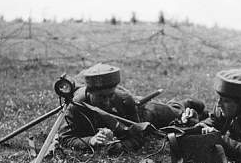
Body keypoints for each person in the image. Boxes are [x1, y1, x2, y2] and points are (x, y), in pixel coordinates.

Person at [58, 63, 207, 150]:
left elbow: (138, 138)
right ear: (89, 92)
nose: (107, 101)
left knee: (174, 112)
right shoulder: (76, 104)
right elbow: (65, 138)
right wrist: (91, 140)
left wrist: (117, 146)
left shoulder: (124, 99)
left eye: (111, 95)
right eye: (102, 97)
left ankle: (188, 103)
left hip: (144, 113)